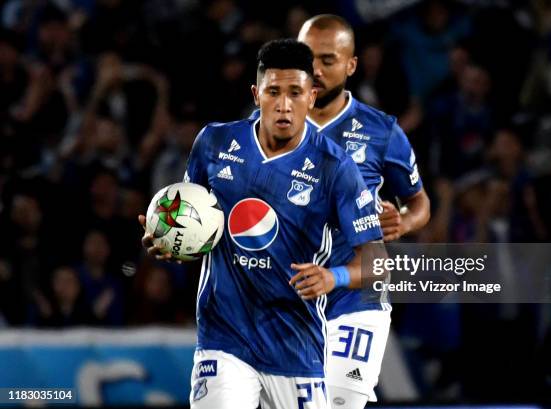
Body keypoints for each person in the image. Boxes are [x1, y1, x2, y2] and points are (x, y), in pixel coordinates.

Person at [140, 39, 383, 409]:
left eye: (295, 93)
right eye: (273, 92)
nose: (284, 105)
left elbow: (378, 263)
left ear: (312, 96)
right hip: (224, 339)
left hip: (296, 346)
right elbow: (196, 223)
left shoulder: (336, 168)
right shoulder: (214, 142)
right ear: (257, 94)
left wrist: (334, 278)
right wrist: (172, 242)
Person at [299, 15, 430, 408]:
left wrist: (402, 221)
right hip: (290, 296)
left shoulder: (381, 130)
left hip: (356, 294)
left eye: (327, 60)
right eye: (308, 60)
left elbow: (420, 201)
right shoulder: (269, 125)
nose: (315, 71)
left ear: (351, 65)